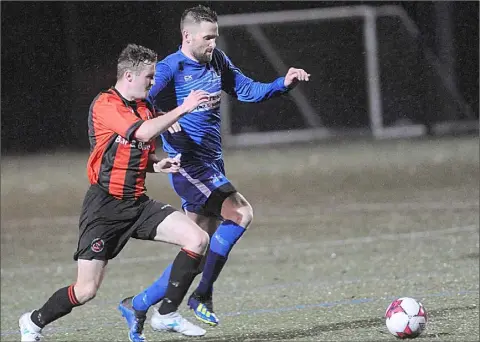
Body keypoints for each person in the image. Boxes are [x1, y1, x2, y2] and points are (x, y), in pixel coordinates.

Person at [121, 4, 311, 329]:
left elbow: (247, 90)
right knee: (240, 213)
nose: (213, 44)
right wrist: (162, 120)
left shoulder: (217, 61)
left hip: (211, 163)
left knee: (195, 251)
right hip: (189, 166)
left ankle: (137, 305)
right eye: (208, 38)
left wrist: (284, 83)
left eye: (216, 37)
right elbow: (136, 100)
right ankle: (202, 296)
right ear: (188, 36)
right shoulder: (170, 68)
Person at [19, 43, 213, 342]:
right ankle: (33, 321)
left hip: (138, 204)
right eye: (149, 76)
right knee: (85, 291)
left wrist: (157, 165)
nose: (153, 81)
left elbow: (134, 150)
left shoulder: (145, 106)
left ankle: (166, 313)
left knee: (198, 239)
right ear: (129, 76)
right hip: (104, 208)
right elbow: (142, 133)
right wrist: (184, 107)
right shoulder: (106, 105)